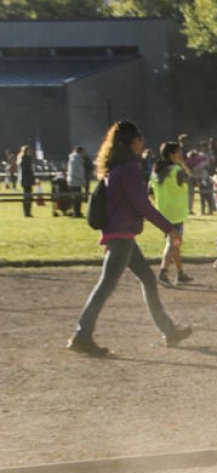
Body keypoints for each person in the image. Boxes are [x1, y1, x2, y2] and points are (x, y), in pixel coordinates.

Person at [68, 121, 192, 357]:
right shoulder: (128, 168)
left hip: (121, 234)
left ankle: (169, 331)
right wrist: (169, 228)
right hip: (122, 236)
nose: (143, 143)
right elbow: (142, 204)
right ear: (133, 142)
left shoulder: (116, 168)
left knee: (147, 278)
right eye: (140, 139)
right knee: (106, 285)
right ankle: (82, 335)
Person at [149, 142, 194, 286]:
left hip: (162, 212)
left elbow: (150, 192)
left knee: (175, 243)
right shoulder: (176, 170)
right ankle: (163, 272)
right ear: (172, 154)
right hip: (176, 213)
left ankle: (180, 273)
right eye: (178, 152)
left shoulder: (155, 171)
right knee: (172, 243)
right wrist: (183, 164)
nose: (181, 155)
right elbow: (191, 178)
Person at [67, 146, 87, 217]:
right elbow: (74, 172)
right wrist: (81, 179)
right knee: (76, 198)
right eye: (84, 151)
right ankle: (76, 212)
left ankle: (78, 211)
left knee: (78, 198)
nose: (85, 153)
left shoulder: (78, 159)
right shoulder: (75, 160)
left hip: (77, 182)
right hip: (74, 182)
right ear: (80, 151)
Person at [17, 145, 35, 217]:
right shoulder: (25, 159)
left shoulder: (23, 159)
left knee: (27, 196)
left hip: (25, 180)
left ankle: (27, 212)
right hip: (26, 181)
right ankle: (27, 212)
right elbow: (27, 171)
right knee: (27, 196)